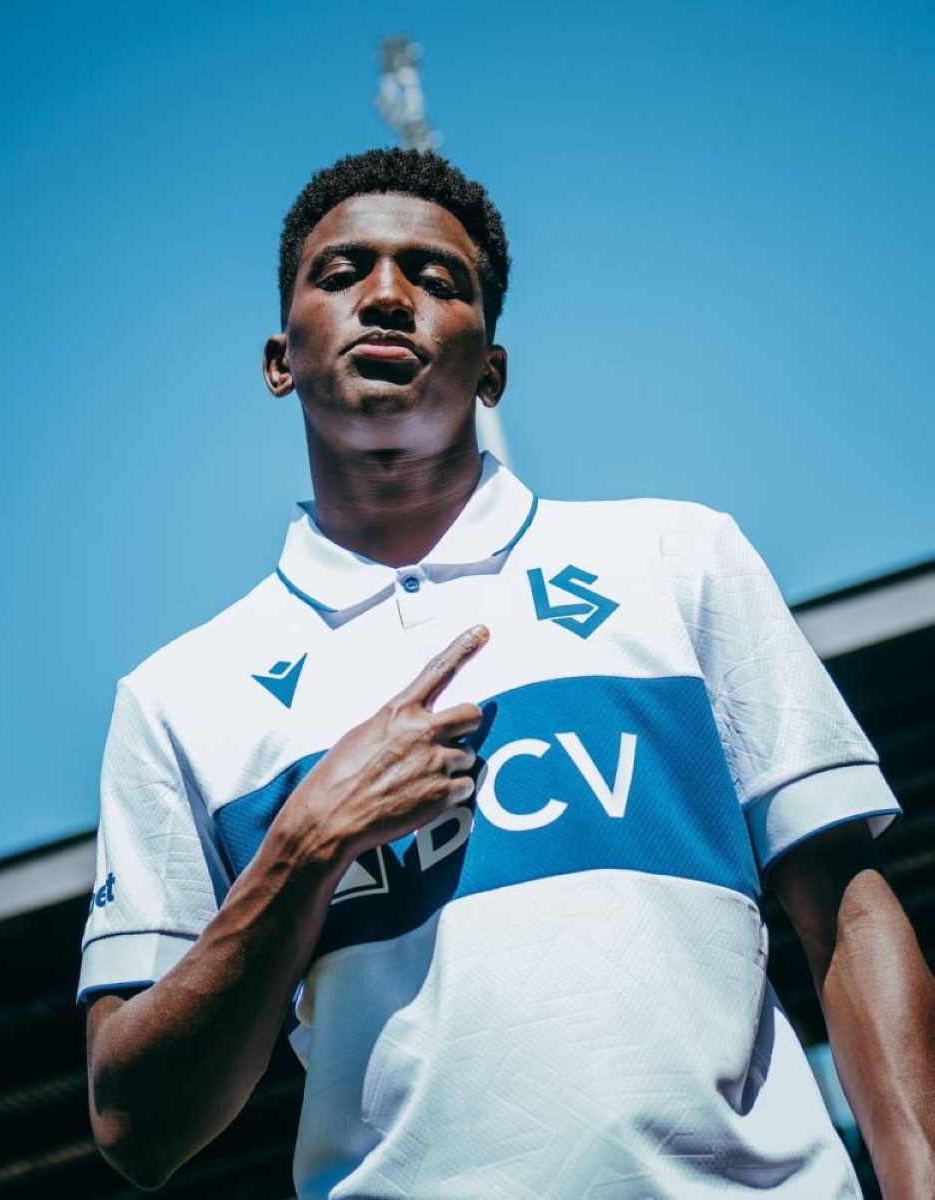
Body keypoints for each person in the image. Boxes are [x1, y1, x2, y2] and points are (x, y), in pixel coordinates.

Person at [81, 148, 934, 1199]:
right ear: (278, 359)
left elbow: (845, 907)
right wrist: (303, 849)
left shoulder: (678, 559)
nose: (386, 297)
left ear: (491, 371)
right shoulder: (178, 700)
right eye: (341, 274)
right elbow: (132, 1126)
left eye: (436, 279)